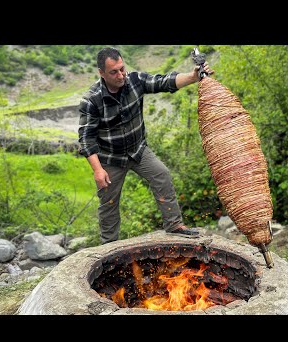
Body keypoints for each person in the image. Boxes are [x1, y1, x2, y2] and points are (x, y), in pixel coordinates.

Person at [78, 46, 214, 244]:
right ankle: (108, 246)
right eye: (113, 72)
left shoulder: (135, 81)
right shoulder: (91, 100)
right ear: (101, 73)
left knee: (162, 175)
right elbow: (86, 138)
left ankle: (174, 225)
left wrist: (193, 76)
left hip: (138, 150)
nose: (120, 75)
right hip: (110, 158)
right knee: (108, 203)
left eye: (122, 68)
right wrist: (98, 170)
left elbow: (163, 82)